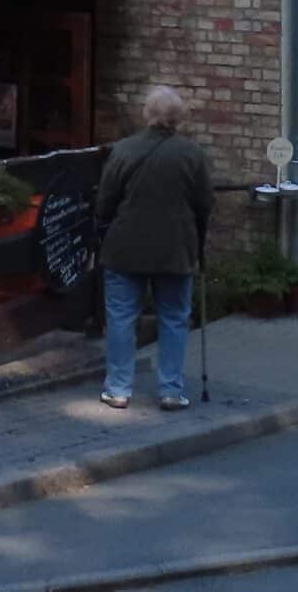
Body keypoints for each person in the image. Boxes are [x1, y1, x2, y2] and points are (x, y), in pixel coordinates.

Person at [94, 85, 213, 411]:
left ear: (147, 114)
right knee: (174, 318)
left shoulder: (124, 150)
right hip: (175, 250)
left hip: (125, 249)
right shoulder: (193, 155)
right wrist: (198, 242)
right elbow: (205, 204)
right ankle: (171, 390)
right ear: (179, 120)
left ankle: (118, 389)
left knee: (121, 318)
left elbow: (105, 202)